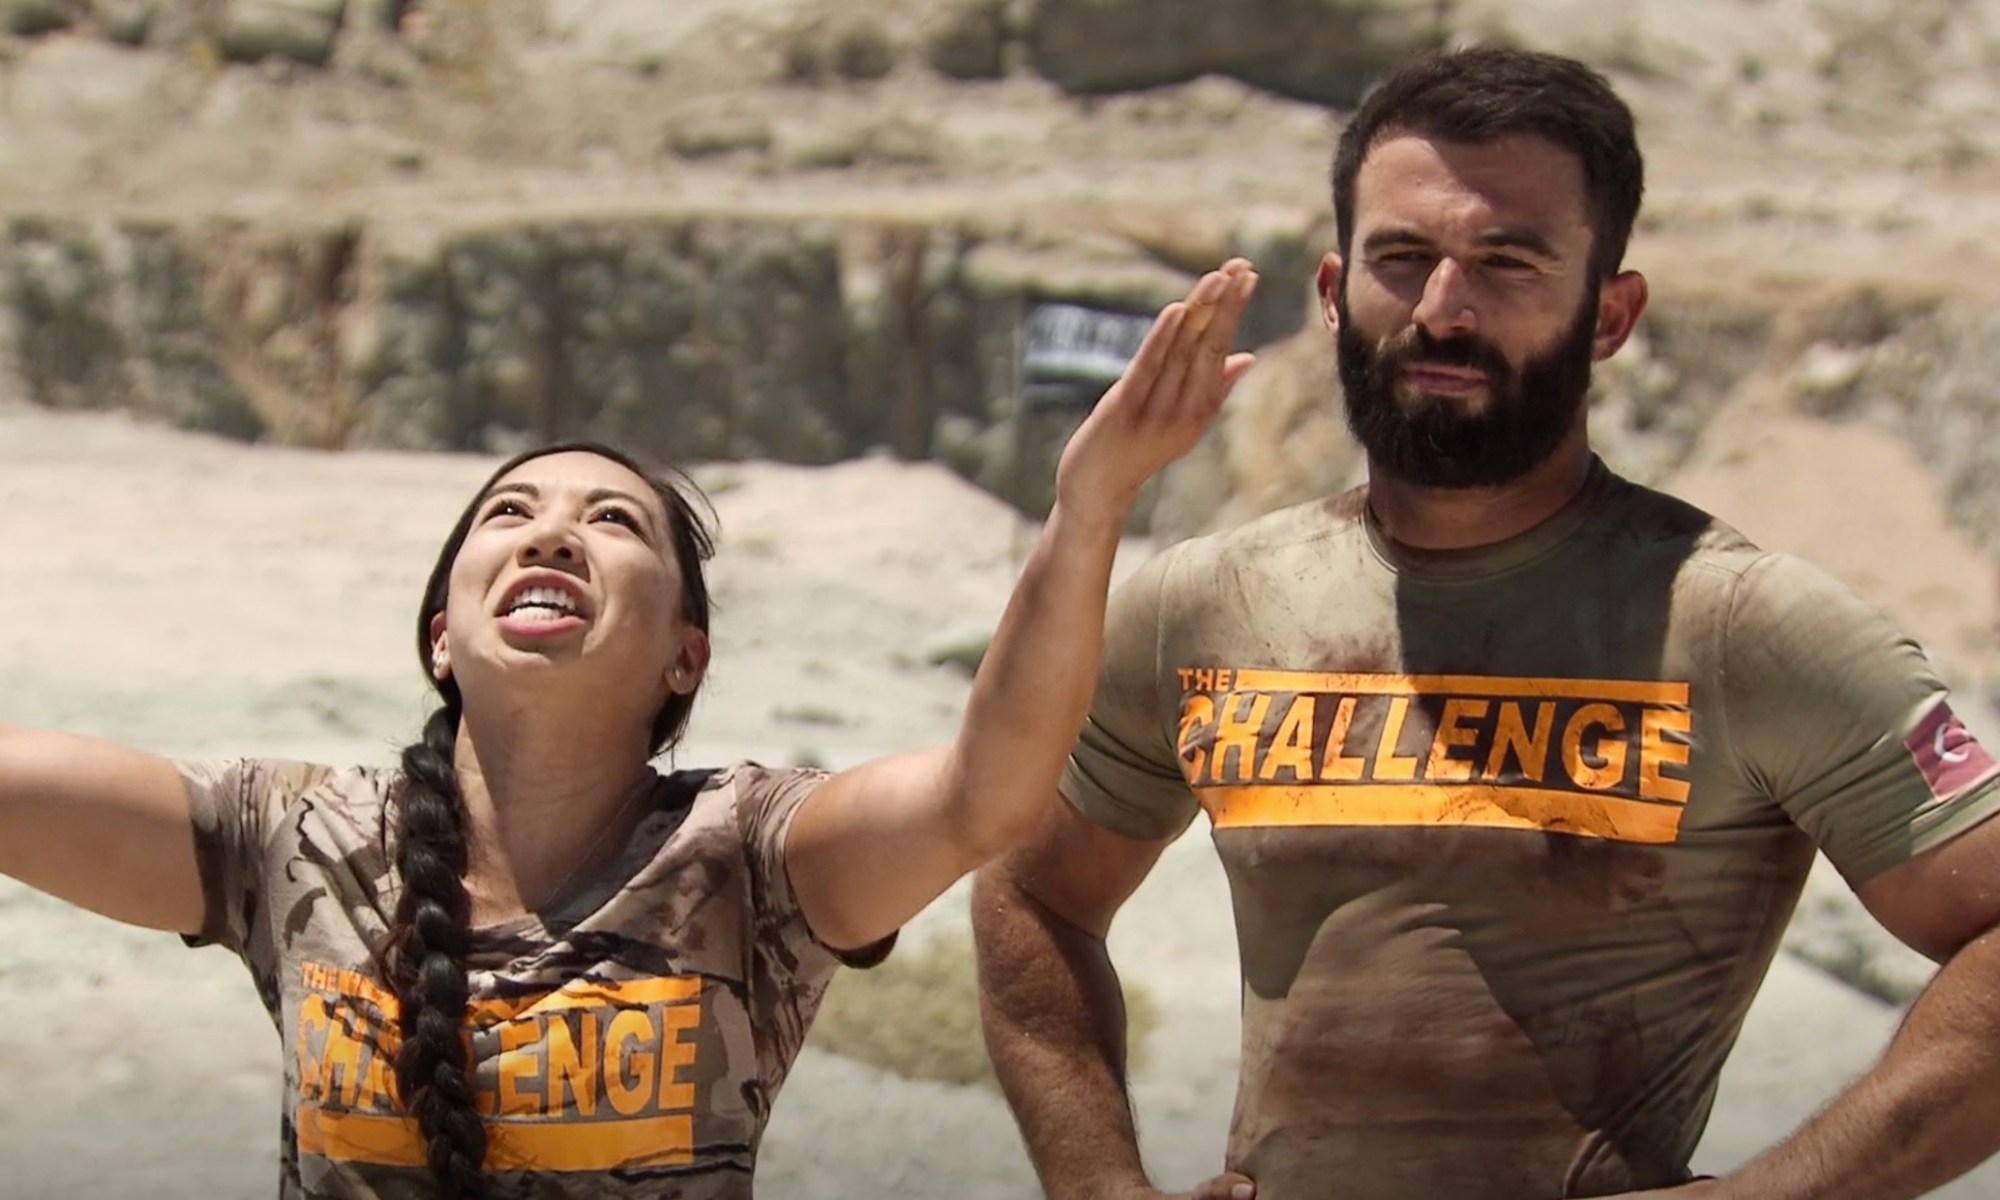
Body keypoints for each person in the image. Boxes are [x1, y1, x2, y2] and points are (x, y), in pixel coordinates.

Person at [971, 45, 2000, 1200]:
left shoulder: (1741, 627)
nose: (1441, 310)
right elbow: (1031, 893)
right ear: (1331, 293)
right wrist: (1098, 1184)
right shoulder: (1204, 608)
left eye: (1507, 262)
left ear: (1608, 314)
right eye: (1401, 258)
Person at [0, 260, 1259, 1199]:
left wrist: (1088, 503)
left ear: (682, 657)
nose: (551, 533)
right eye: (509, 513)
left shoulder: (749, 860)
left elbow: (985, 797)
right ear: (441, 635)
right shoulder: (297, 838)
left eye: (610, 522)